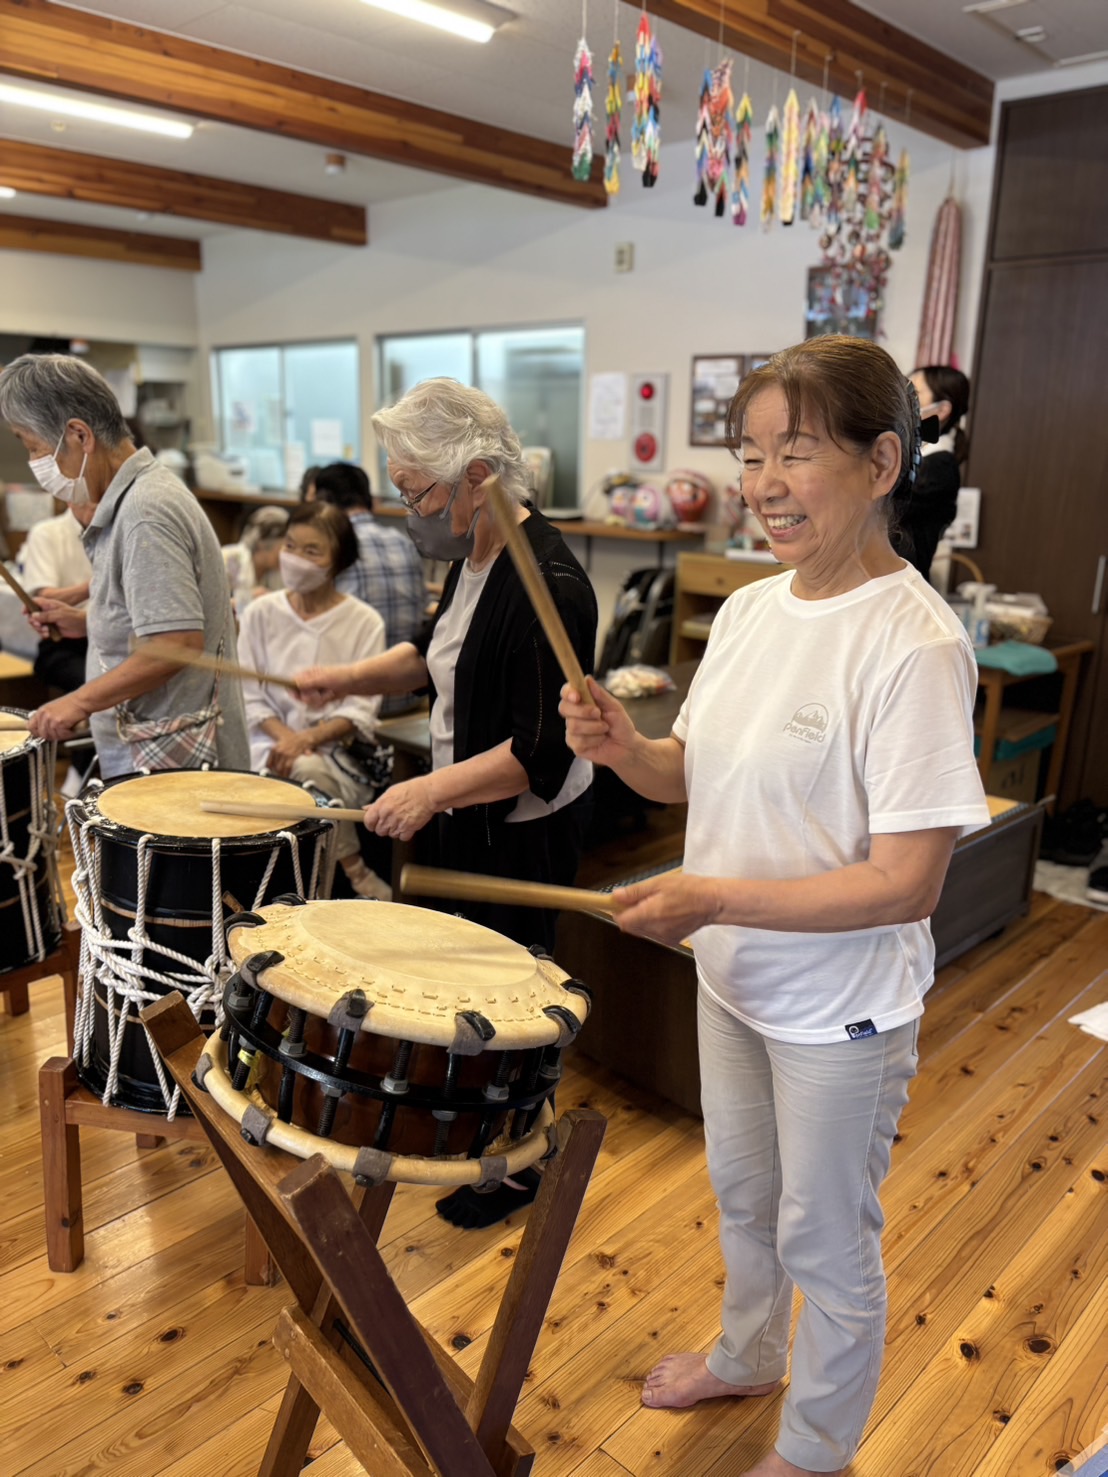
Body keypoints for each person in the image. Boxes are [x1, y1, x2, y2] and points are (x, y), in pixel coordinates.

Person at [560, 337, 989, 1477]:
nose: (762, 484)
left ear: (882, 462)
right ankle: (749, 1354)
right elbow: (688, 772)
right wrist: (624, 748)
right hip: (734, 982)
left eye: (794, 452)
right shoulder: (751, 612)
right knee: (744, 1193)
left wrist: (712, 896)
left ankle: (816, 1450)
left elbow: (907, 881)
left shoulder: (914, 644)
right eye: (750, 455)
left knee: (825, 1233)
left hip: (840, 1011)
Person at [297, 379, 598, 1228]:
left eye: (418, 493)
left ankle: (516, 1165)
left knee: (514, 994)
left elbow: (539, 753)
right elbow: (433, 652)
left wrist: (427, 790)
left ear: (477, 477)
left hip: (523, 828)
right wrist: (341, 678)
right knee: (465, 982)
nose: (411, 513)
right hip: (470, 811)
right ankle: (474, 1131)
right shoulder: (475, 557)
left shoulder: (550, 582)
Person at [0, 353, 249, 777]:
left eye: (34, 447)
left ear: (79, 435)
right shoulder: (135, 496)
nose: (36, 461)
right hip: (156, 747)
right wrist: (87, 621)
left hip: (180, 762)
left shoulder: (145, 512)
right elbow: (151, 617)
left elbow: (175, 643)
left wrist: (77, 701)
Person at [238, 501, 391, 901]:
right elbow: (250, 697)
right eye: (291, 546)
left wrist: (306, 740)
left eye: (312, 551)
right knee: (287, 772)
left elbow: (360, 709)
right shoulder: (259, 613)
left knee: (308, 771)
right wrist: (287, 738)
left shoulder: (365, 622)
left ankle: (330, 885)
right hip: (267, 745)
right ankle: (353, 873)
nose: (295, 558)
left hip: (336, 753)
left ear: (337, 561)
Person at [311, 461, 426, 715]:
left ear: (324, 504)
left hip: (357, 700)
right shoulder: (404, 542)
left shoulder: (333, 547)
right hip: (411, 695)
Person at [892, 364, 970, 582]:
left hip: (901, 584)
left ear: (942, 410)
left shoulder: (939, 465)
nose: (903, 400)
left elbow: (887, 511)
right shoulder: (915, 453)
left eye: (914, 394)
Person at [18, 499, 92, 694]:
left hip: (115, 639)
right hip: (65, 642)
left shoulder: (119, 530)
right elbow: (43, 599)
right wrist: (98, 585)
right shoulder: (47, 533)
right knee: (101, 687)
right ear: (70, 500)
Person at [221, 503, 289, 615]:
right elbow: (211, 606)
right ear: (263, 543)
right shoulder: (230, 558)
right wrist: (250, 598)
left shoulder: (279, 571)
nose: (286, 554)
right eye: (284, 547)